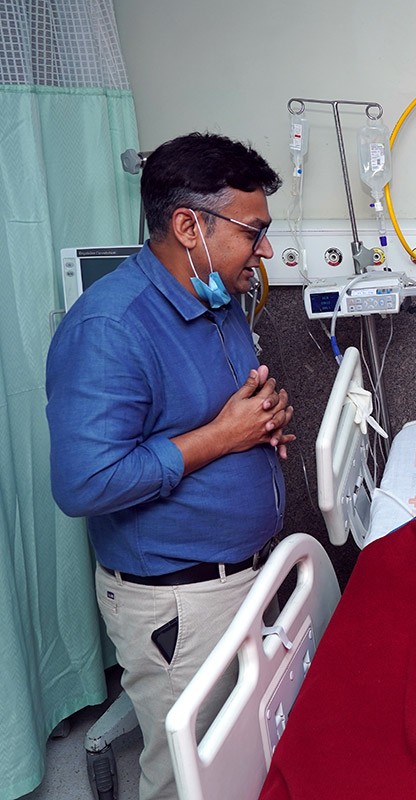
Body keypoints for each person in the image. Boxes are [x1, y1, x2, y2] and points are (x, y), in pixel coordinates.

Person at [46, 132, 293, 800]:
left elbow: (216, 411)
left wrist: (262, 418)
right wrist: (223, 436)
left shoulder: (216, 299)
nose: (265, 250)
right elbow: (84, 483)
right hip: (180, 601)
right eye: (253, 231)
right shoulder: (111, 328)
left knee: (247, 760)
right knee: (189, 779)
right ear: (189, 226)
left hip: (245, 576)